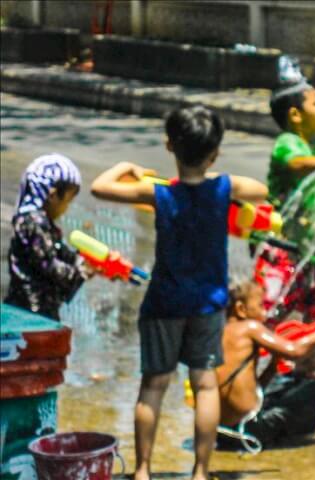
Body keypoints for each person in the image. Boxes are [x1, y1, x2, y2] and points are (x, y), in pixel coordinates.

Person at [90, 105, 267, 480]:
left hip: (164, 303)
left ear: (169, 146)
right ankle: (201, 472)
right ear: (214, 152)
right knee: (205, 385)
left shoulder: (160, 193)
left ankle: (142, 471)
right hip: (207, 305)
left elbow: (100, 187)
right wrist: (217, 175)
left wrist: (126, 166)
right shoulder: (223, 188)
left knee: (153, 386)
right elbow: (262, 190)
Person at [260, 56, 315, 379]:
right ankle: (252, 366)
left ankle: (309, 361)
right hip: (279, 248)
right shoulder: (288, 144)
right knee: (272, 308)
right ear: (295, 114)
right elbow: (296, 164)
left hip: (308, 248)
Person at [215, 279, 315, 450]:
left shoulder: (217, 331)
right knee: (312, 389)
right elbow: (296, 351)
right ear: (241, 309)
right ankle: (294, 437)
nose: (265, 314)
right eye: (261, 306)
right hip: (249, 432)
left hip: (220, 432)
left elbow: (250, 390)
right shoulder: (250, 327)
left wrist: (273, 366)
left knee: (280, 383)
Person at [4, 153, 93, 321]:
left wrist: (84, 261)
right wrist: (80, 272)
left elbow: (61, 253)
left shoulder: (42, 223)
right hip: (29, 311)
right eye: (67, 201)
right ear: (52, 195)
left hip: (39, 311)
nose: (67, 208)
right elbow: (47, 264)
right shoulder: (32, 223)